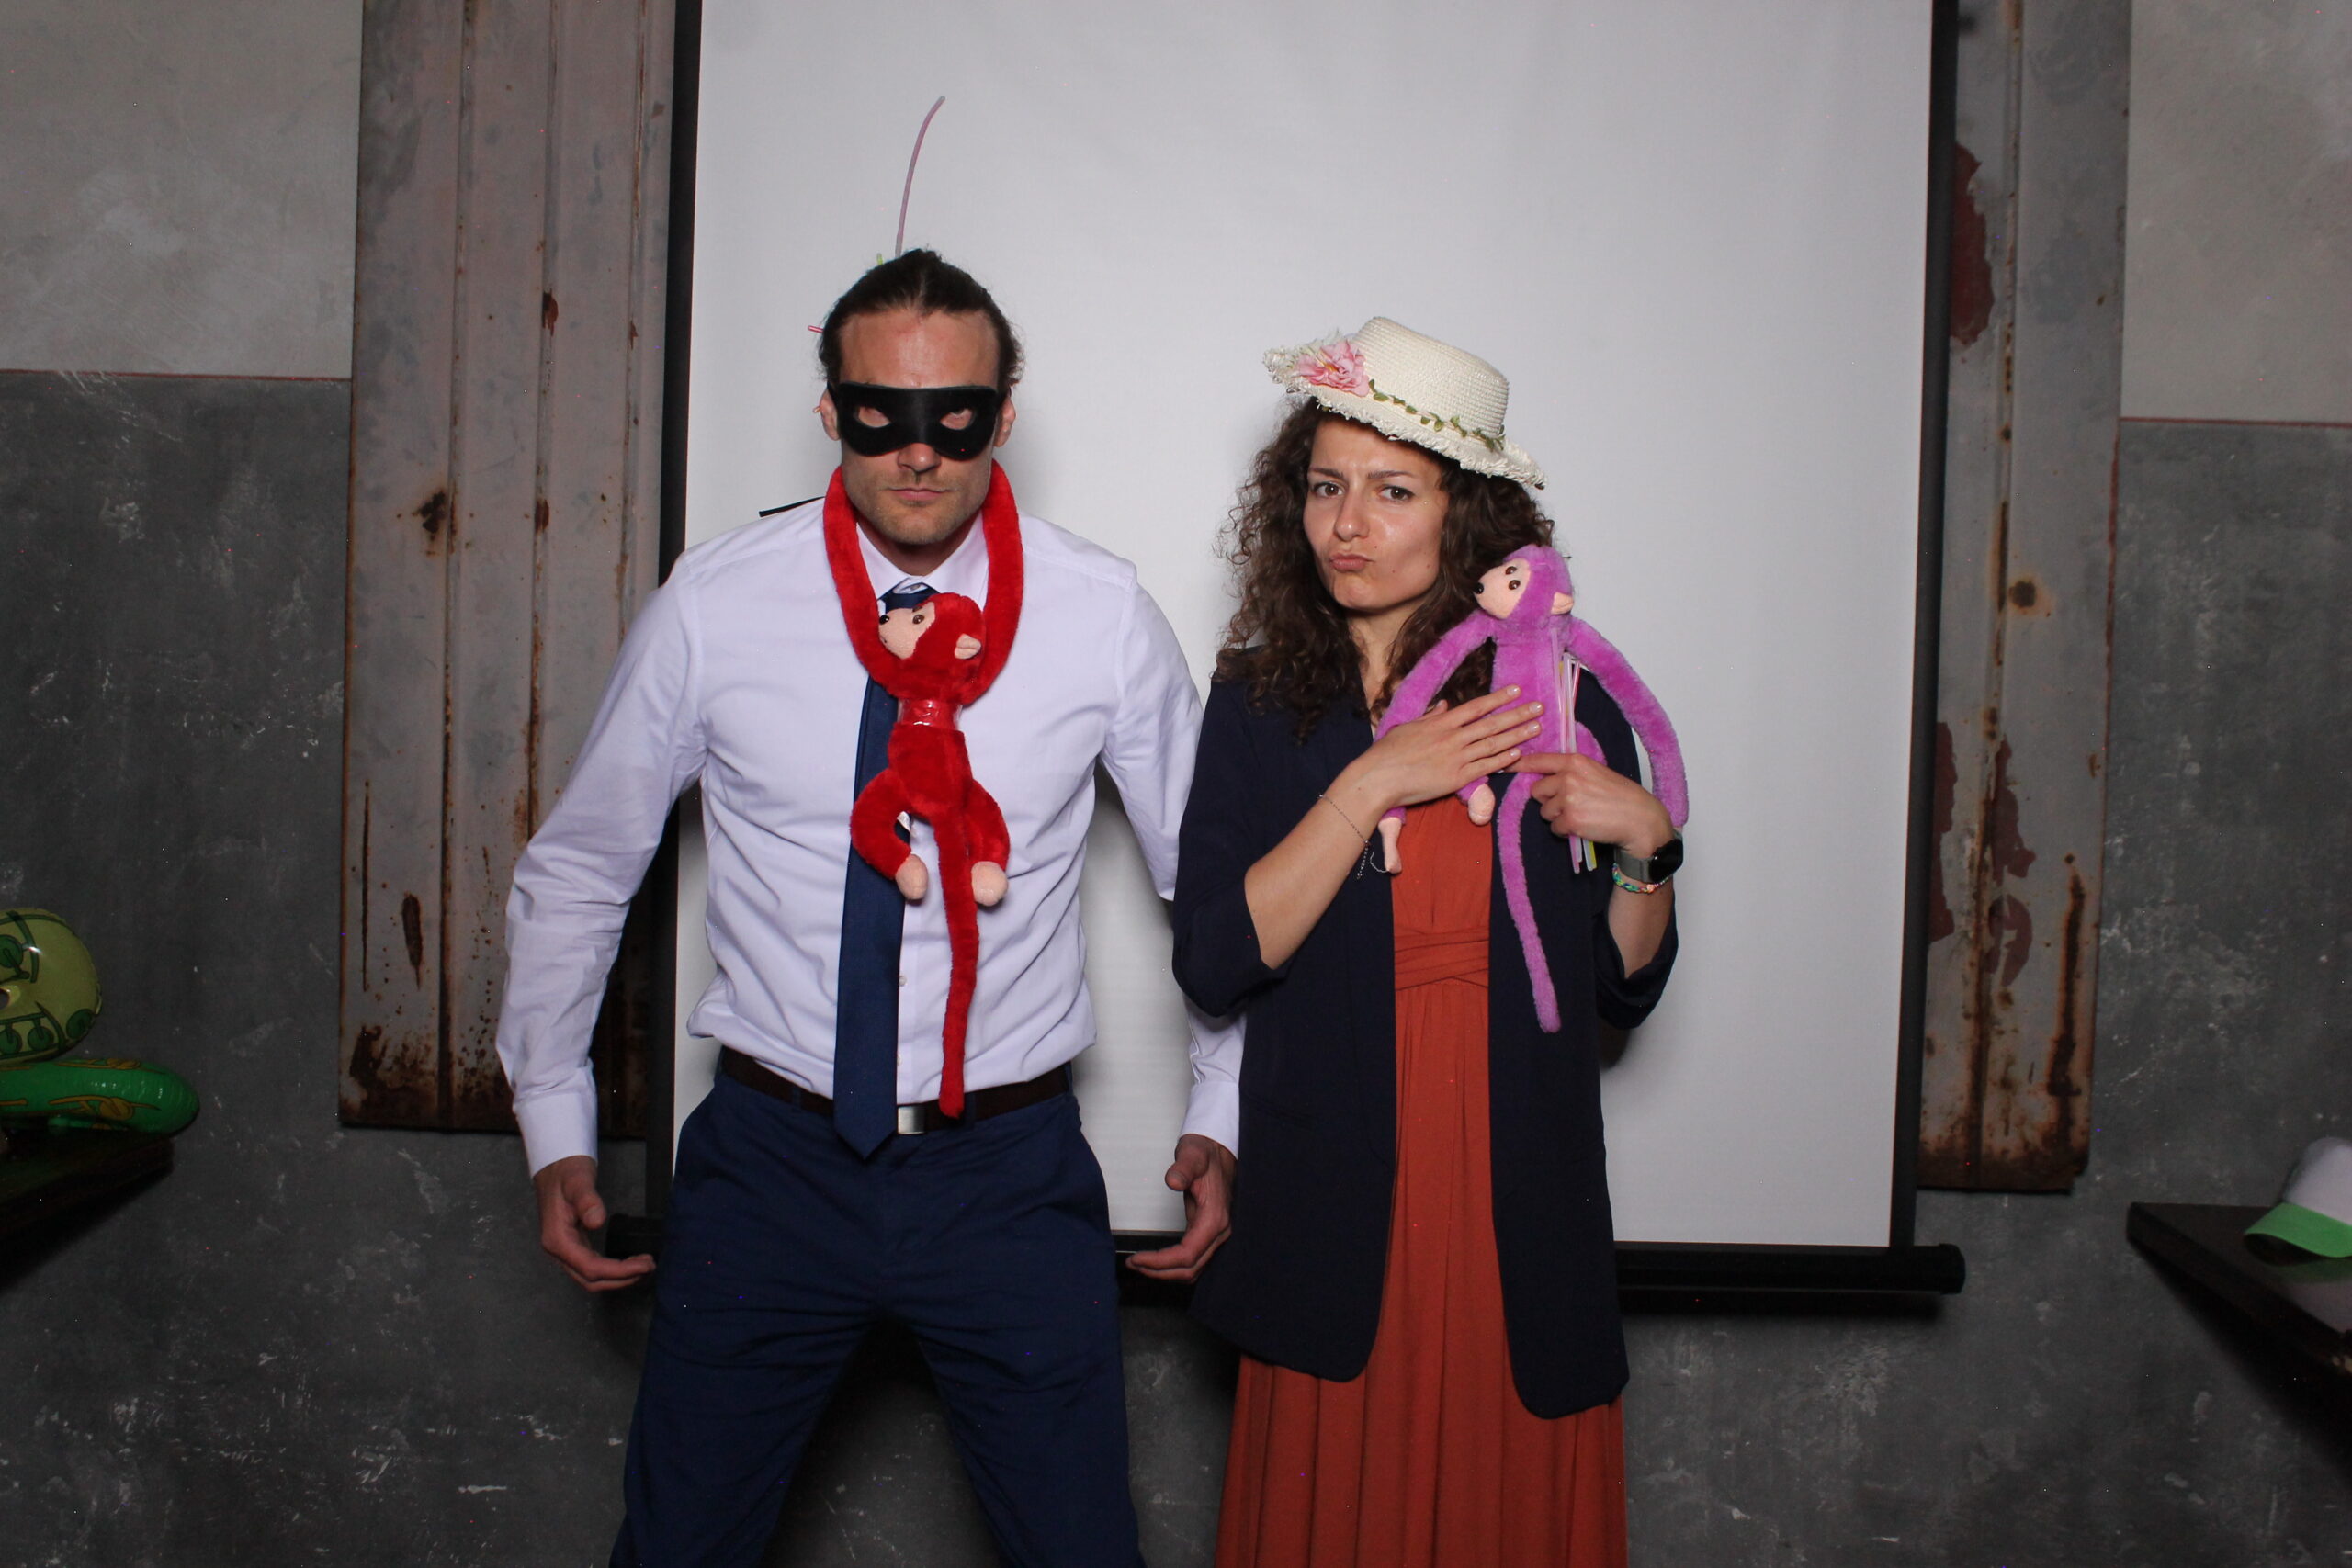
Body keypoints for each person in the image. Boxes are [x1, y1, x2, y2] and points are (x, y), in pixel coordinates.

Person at [493, 248, 1240, 1568]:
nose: (919, 453)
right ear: (830, 411)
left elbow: (1216, 886)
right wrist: (554, 1114)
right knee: (677, 1548)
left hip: (1006, 1176)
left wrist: (1222, 1111)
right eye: (880, 415)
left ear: (1004, 416)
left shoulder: (1098, 615)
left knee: (1081, 1549)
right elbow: (586, 864)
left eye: (956, 416)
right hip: (770, 1168)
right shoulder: (719, 604)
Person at [1171, 318, 1681, 1568]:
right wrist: (1371, 783)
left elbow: (1619, 992)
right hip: (1333, 1197)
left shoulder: (1559, 693)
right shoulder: (1256, 700)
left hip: (1515, 1191)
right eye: (1325, 488)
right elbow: (1217, 959)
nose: (1347, 524)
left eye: (1393, 491)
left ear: (1469, 516)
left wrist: (1648, 851)